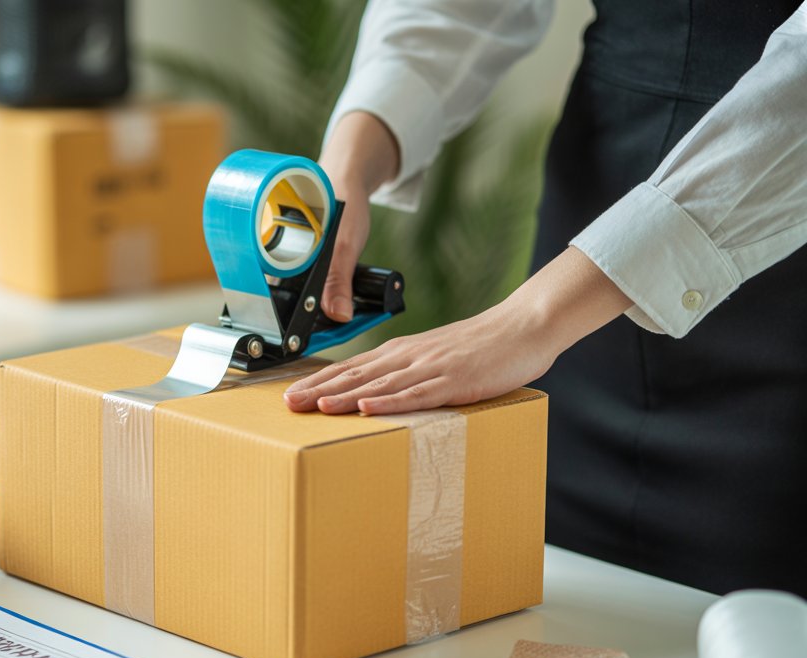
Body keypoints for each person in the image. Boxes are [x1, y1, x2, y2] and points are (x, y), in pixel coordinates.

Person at [283, 0, 807, 596]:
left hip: (777, 274)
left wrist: (530, 319)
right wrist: (349, 160)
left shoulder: (532, 321)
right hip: (590, 234)